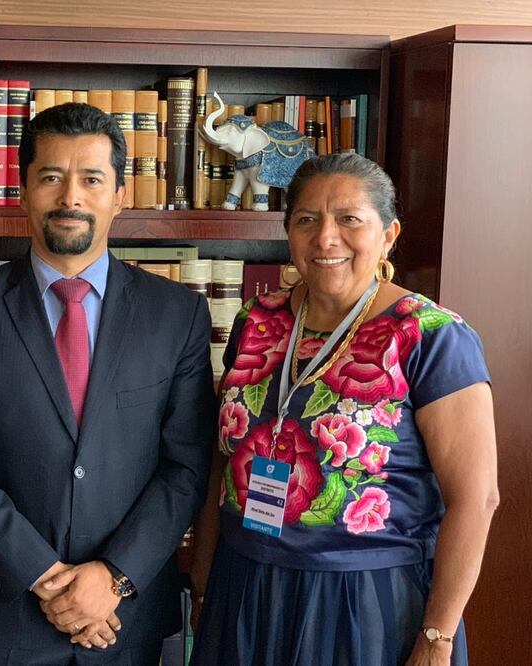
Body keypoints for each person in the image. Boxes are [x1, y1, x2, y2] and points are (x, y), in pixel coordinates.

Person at [0, 102, 216, 665]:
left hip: (124, 618)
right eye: (51, 177)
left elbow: (186, 466)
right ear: (23, 188)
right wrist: (46, 577)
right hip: (2, 616)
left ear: (120, 195)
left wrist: (112, 578)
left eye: (91, 179)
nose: (70, 197)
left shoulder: (176, 314)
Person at [189, 152, 499, 666]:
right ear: (288, 232)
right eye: (307, 220)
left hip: (365, 600)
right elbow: (221, 463)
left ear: (388, 234)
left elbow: (476, 499)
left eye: (349, 219)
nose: (326, 238)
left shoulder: (431, 336)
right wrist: (203, 581)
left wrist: (438, 636)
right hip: (245, 583)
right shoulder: (255, 321)